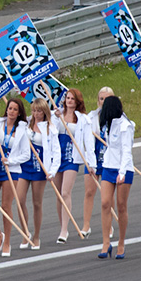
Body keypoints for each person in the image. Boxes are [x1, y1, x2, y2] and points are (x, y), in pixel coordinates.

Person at [0, 96, 30, 257]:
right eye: (10, 108)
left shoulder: (22, 130)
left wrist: (10, 161)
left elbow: (26, 155)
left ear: (19, 113)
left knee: (5, 206)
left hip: (12, 171)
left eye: (15, 109)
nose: (11, 111)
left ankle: (8, 241)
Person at [15, 98, 58, 251]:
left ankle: (36, 236)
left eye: (39, 111)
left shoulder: (50, 129)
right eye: (34, 110)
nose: (36, 113)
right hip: (24, 166)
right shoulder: (25, 123)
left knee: (37, 203)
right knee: (19, 201)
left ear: (44, 111)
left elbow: (56, 152)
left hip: (40, 168)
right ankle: (25, 233)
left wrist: (52, 171)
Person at [52, 89, 92, 243]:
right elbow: (50, 131)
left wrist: (90, 163)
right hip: (57, 157)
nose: (69, 101)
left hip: (72, 158)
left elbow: (88, 142)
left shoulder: (83, 119)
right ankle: (63, 225)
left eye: (72, 99)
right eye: (67, 98)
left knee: (65, 192)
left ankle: (63, 231)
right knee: (58, 195)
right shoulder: (57, 115)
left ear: (77, 101)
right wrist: (56, 119)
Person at [97, 95, 134, 260]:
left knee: (121, 206)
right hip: (108, 166)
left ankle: (121, 242)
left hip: (123, 168)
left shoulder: (125, 126)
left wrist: (122, 172)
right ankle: (106, 242)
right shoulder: (107, 124)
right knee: (105, 203)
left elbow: (127, 150)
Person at [81, 87, 112, 237]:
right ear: (97, 100)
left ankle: (109, 225)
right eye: (101, 99)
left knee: (107, 195)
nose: (104, 102)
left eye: (107, 99)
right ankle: (86, 225)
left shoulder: (118, 117)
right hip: (93, 158)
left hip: (109, 159)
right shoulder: (90, 117)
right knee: (89, 191)